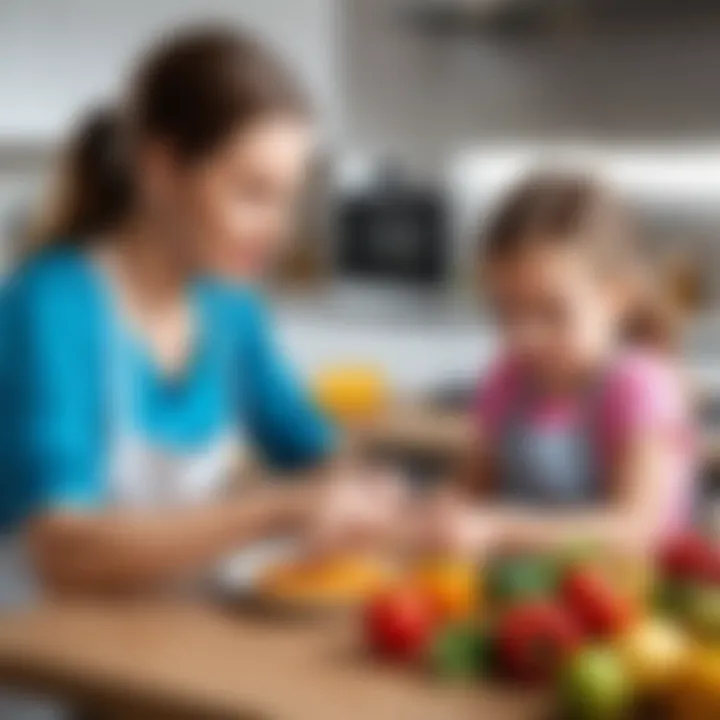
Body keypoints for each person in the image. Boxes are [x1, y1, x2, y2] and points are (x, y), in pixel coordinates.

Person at [0, 27, 400, 603]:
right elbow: (64, 548)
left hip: (163, 641)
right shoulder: (53, 304)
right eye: (251, 192)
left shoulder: (228, 306)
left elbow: (309, 446)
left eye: (288, 197)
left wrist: (360, 489)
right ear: (162, 168)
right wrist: (273, 511)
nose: (279, 231)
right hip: (37, 664)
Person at [421, 171, 695, 556]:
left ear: (618, 297)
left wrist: (498, 528)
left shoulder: (640, 385)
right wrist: (442, 513)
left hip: (626, 601)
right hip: (523, 598)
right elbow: (470, 491)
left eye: (552, 312)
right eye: (505, 312)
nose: (523, 336)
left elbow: (635, 529)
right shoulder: (507, 379)